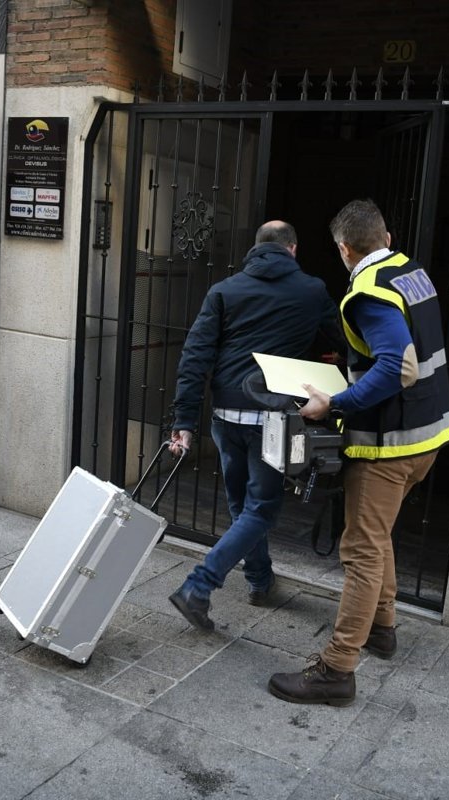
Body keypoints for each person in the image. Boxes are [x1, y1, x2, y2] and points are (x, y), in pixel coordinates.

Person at [268, 199, 449, 706]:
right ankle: (382, 628)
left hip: (388, 448)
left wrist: (335, 403)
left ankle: (337, 670)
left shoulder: (367, 293)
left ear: (344, 250)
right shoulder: (410, 272)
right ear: (386, 238)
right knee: (377, 534)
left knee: (360, 551)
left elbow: (399, 366)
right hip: (428, 438)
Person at [167, 220, 340, 631]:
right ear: (292, 249)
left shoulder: (224, 290)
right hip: (272, 419)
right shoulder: (312, 290)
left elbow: (195, 356)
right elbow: (342, 340)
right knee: (260, 509)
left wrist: (185, 419)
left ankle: (260, 580)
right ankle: (199, 585)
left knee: (242, 505)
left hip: (226, 416)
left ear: (256, 248)